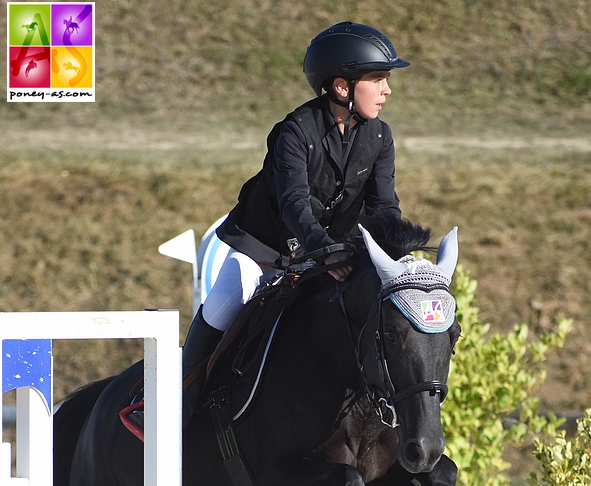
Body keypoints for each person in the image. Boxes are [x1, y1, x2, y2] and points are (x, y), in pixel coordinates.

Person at [130, 22, 409, 433]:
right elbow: (295, 205)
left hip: (329, 252)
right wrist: (324, 251)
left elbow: (385, 206)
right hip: (264, 247)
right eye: (378, 79)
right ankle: (170, 402)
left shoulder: (380, 137)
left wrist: (394, 256)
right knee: (228, 298)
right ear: (342, 88)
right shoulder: (295, 132)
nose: (387, 90)